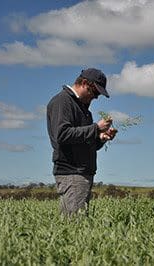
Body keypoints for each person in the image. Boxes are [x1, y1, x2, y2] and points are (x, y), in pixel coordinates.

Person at [46, 68, 117, 217]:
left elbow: (84, 143)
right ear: (84, 83)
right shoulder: (63, 101)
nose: (96, 98)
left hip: (81, 173)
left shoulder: (84, 110)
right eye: (95, 92)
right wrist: (96, 127)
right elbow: (62, 134)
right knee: (75, 224)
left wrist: (101, 138)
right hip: (72, 172)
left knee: (74, 224)